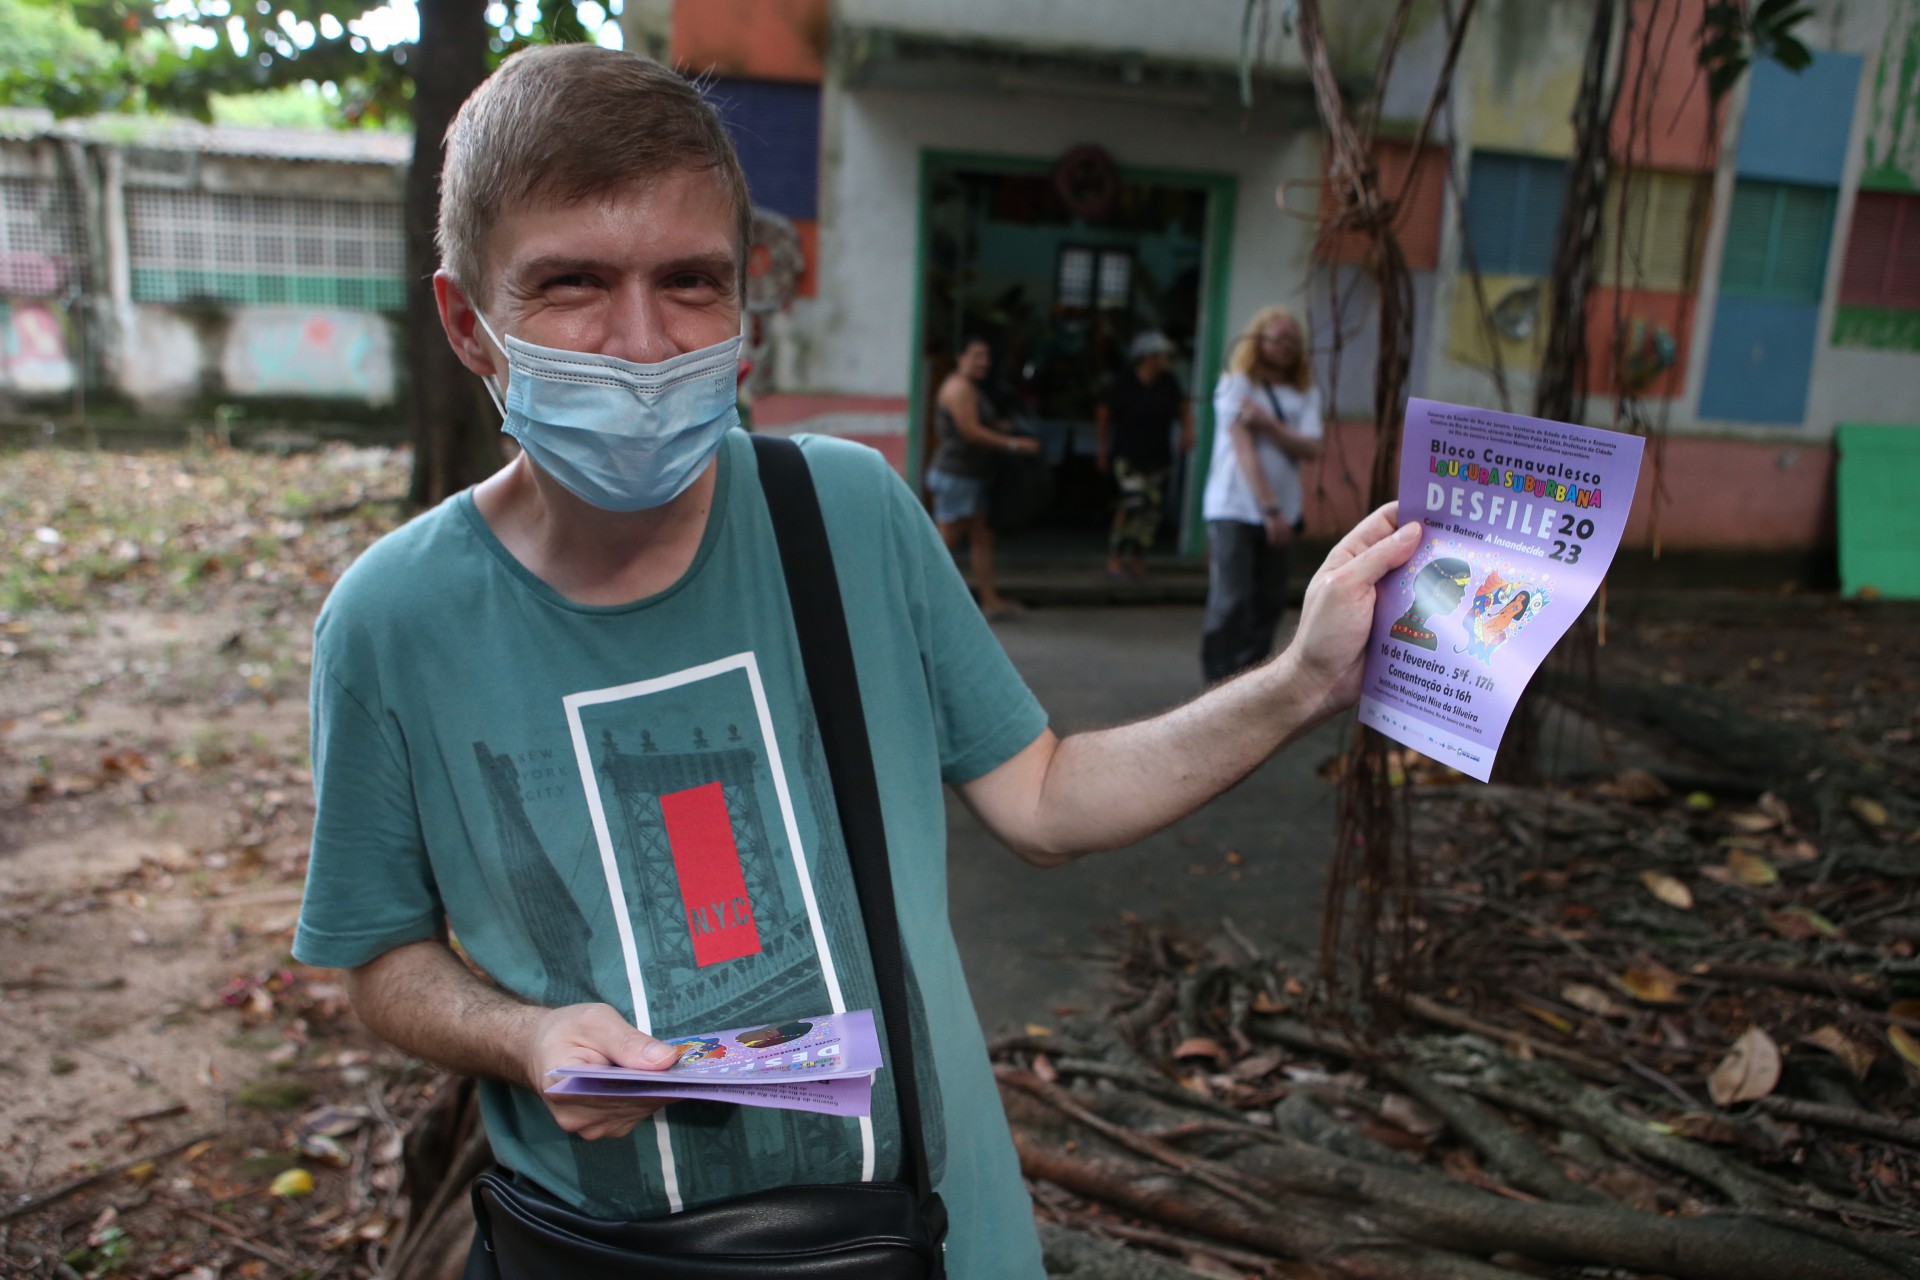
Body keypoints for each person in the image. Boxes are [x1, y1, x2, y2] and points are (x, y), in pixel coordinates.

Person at [291, 45, 1420, 1280]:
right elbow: (382, 956)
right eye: (570, 283)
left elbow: (1043, 795)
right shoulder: (392, 622)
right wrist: (522, 1035)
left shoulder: (845, 515)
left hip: (929, 1232)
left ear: (742, 310)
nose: (640, 340)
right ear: (468, 321)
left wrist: (1301, 680)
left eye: (690, 282)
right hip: (606, 1249)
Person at [1200, 305, 1326, 684]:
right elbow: (1242, 446)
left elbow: (1313, 448)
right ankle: (1216, 684)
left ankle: (1246, 682)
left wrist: (1269, 423)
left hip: (1283, 512)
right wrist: (1269, 508)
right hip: (1235, 507)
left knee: (1269, 603)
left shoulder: (1304, 391)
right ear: (1258, 340)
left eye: (1293, 339)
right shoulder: (1238, 384)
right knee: (1231, 600)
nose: (1286, 345)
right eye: (1277, 337)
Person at [926, 335, 1039, 618]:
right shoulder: (959, 388)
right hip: (957, 475)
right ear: (960, 357)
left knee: (982, 537)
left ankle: (989, 600)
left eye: (986, 356)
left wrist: (1005, 427)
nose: (983, 362)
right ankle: (917, 604)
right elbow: (970, 432)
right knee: (944, 542)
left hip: (972, 474)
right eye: (976, 355)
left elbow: (980, 424)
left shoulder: (971, 388)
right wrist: (1014, 444)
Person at [1094, 330, 1194, 580]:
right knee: (1132, 504)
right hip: (1129, 455)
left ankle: (1139, 561)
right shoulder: (1124, 381)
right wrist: (1102, 449)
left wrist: (1187, 432)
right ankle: (1115, 560)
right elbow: (1103, 415)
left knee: (1151, 510)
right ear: (1148, 356)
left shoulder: (1168, 382)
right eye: (1161, 355)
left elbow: (1184, 406)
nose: (1166, 360)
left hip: (1158, 456)